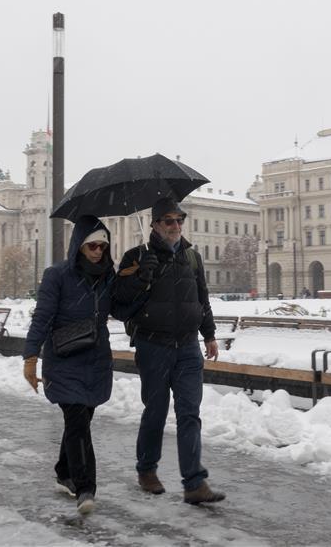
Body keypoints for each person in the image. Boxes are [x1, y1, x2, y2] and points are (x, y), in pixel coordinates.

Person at [113, 197, 225, 505]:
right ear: (155, 225)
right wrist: (139, 277)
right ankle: (147, 469)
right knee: (157, 411)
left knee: (190, 413)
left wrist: (209, 334)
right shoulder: (135, 257)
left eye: (180, 220)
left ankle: (194, 483)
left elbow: (202, 299)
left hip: (188, 346)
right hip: (153, 345)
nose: (176, 226)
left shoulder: (191, 257)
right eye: (169, 221)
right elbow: (118, 303)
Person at [23, 215, 117, 515]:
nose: (98, 251)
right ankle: (85, 486)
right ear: (79, 245)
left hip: (96, 358)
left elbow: (127, 308)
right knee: (77, 419)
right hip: (63, 357)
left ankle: (64, 471)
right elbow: (43, 316)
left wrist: (138, 278)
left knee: (81, 420)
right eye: (92, 245)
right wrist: (30, 356)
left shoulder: (109, 276)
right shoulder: (57, 275)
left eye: (103, 246)